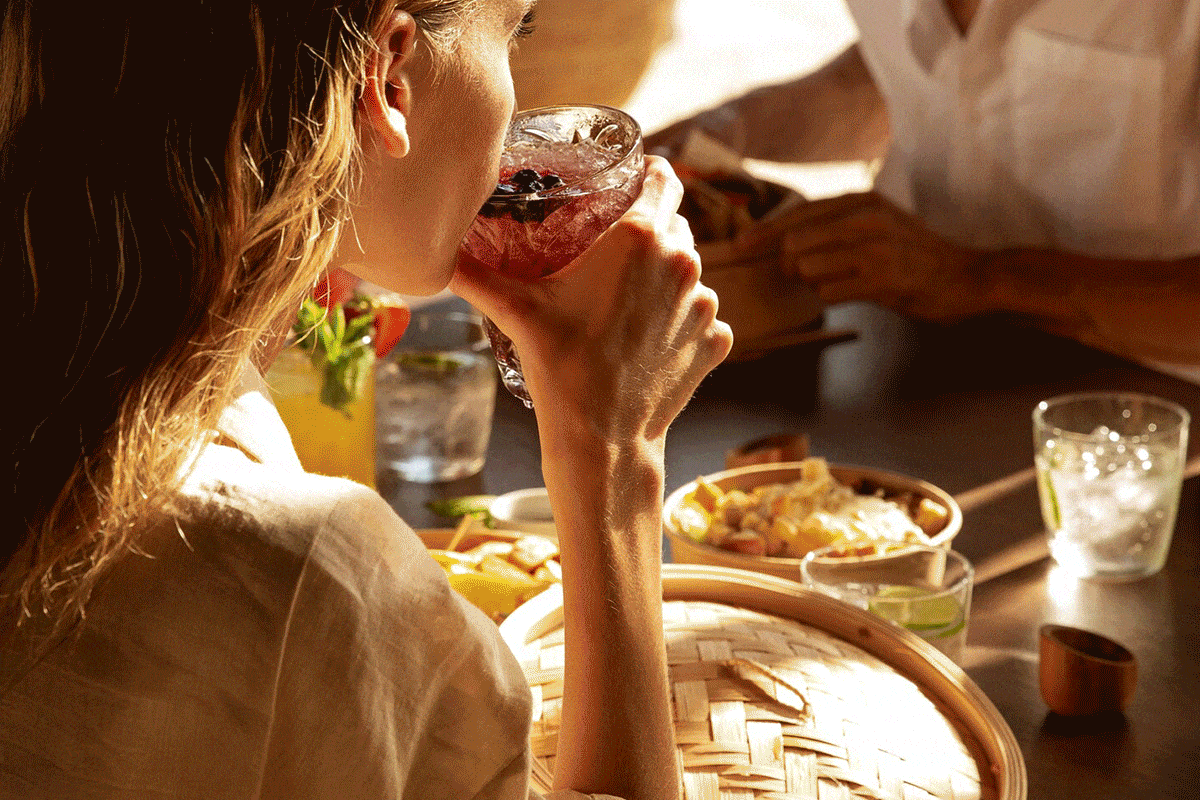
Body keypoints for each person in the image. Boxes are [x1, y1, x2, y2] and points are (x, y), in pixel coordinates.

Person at [0, 1, 731, 799]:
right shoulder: (302, 574)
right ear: (388, 74)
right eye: (514, 32)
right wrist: (613, 448)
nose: (517, 114)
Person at [650, 0, 1200, 367]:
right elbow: (910, 73)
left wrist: (980, 278)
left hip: (1147, 410)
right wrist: (716, 136)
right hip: (906, 357)